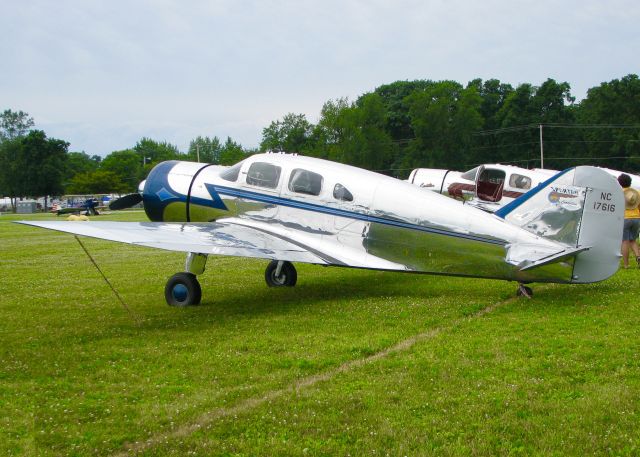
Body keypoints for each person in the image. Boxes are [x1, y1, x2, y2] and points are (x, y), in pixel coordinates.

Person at [617, 173, 640, 268]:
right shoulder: (637, 193)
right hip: (637, 218)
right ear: (630, 182)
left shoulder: (618, 193)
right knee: (633, 240)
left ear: (619, 182)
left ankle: (626, 264)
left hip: (625, 218)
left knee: (625, 241)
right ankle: (638, 256)